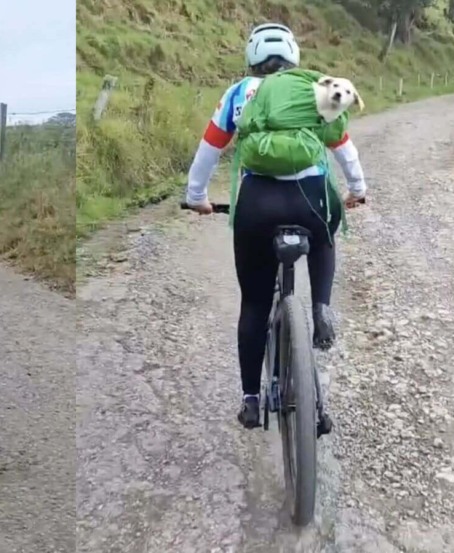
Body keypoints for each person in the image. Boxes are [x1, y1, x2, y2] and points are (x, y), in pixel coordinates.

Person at [184, 23, 367, 429]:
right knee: (324, 235)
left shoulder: (238, 93)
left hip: (257, 206)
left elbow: (208, 150)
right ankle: (320, 306)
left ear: (251, 58)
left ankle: (251, 399)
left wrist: (197, 197)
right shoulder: (317, 87)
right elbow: (344, 147)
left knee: (254, 303)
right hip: (310, 198)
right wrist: (357, 189)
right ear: (294, 56)